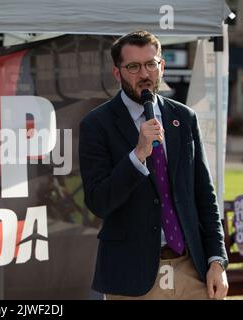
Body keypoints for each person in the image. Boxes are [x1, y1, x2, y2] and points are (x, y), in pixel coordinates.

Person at [79, 30, 229, 299]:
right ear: (117, 73)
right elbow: (98, 202)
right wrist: (137, 156)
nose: (144, 74)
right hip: (132, 274)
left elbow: (204, 196)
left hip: (191, 268)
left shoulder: (183, 117)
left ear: (162, 66)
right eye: (133, 67)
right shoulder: (97, 124)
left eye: (150, 64)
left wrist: (217, 260)